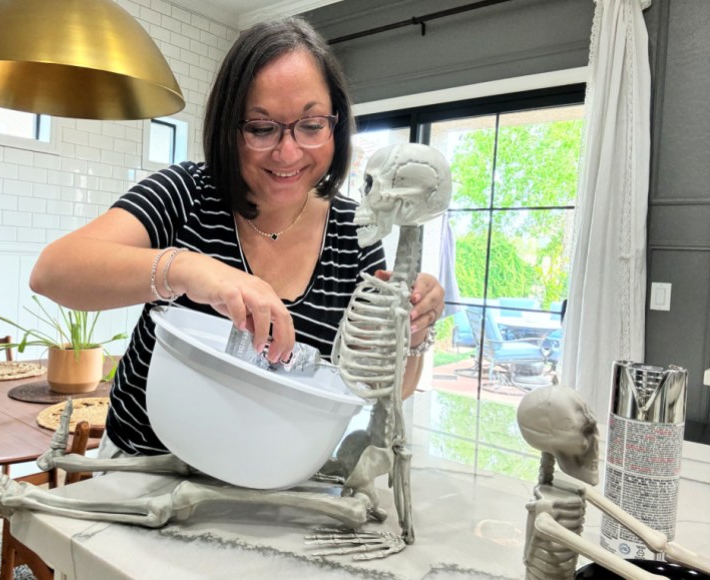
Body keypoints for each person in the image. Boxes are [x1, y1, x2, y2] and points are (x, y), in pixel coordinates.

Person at [30, 17, 445, 456]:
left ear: (336, 125)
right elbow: (53, 271)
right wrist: (188, 268)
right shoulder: (188, 193)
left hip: (275, 479)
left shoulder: (352, 231)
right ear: (231, 127)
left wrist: (413, 333)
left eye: (311, 124)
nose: (288, 152)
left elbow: (389, 390)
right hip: (144, 469)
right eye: (262, 128)